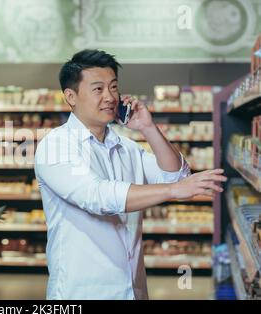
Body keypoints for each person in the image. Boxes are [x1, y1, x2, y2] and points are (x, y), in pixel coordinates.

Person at [34, 49, 226, 300]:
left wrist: (148, 128)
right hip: (83, 292)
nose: (110, 97)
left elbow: (175, 176)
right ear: (71, 96)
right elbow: (96, 196)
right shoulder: (55, 145)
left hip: (132, 290)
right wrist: (172, 191)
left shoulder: (126, 147)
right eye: (98, 89)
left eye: (114, 87)